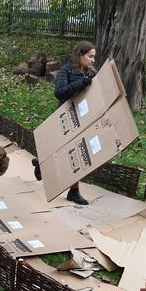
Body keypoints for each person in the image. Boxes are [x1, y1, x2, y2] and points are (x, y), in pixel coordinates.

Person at [32, 41, 96, 205]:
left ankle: (74, 192)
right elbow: (59, 93)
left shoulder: (91, 73)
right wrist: (81, 83)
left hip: (83, 118)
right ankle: (42, 164)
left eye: (94, 57)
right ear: (80, 55)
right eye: (90, 56)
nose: (93, 60)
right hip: (65, 118)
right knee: (58, 151)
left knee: (78, 154)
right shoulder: (65, 71)